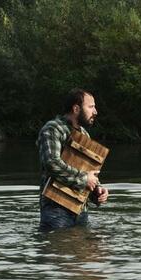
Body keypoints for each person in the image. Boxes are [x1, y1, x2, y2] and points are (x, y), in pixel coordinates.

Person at [37, 88, 109, 231]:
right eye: (91, 107)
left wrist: (97, 190)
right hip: (56, 210)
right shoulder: (53, 128)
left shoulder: (84, 134)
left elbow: (89, 173)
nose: (95, 112)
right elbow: (51, 163)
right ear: (76, 108)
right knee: (58, 250)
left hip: (80, 209)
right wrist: (84, 179)